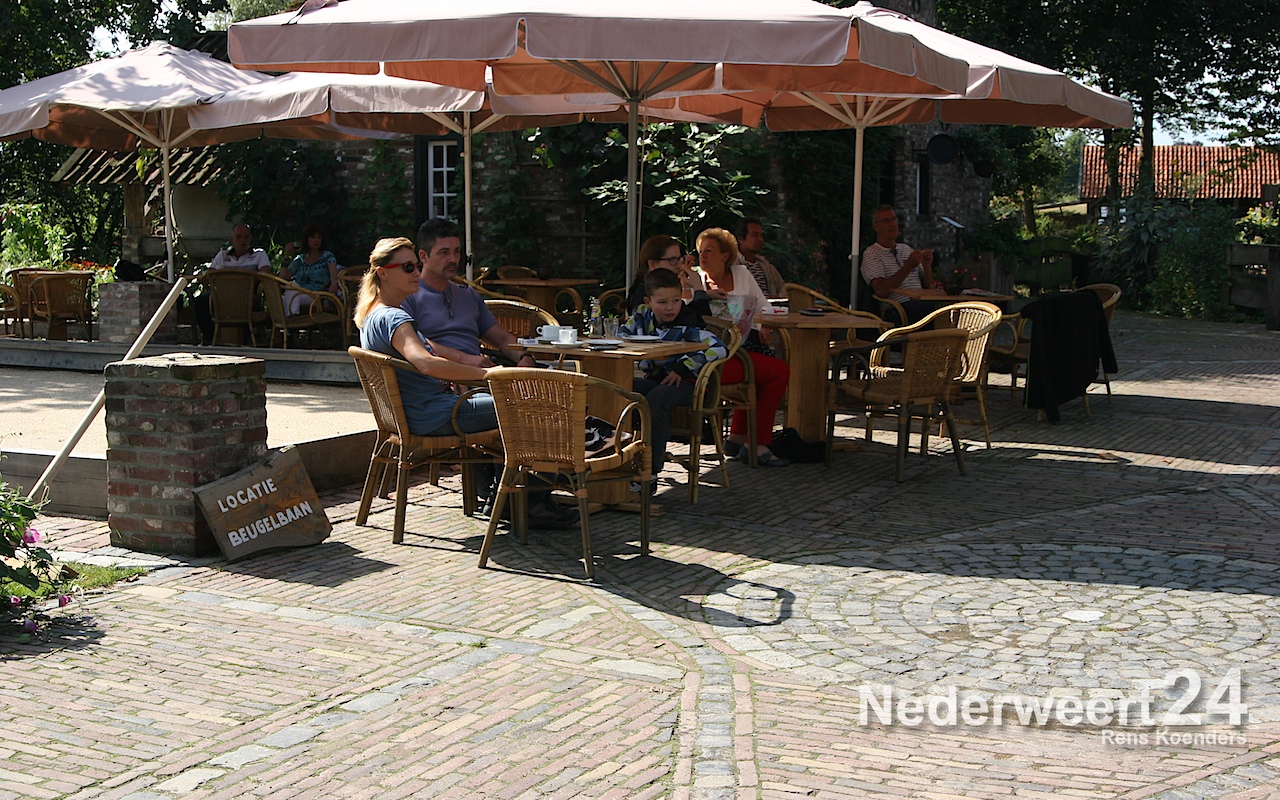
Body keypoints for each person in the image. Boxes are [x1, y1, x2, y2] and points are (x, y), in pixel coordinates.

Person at [357, 236, 573, 529]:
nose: (417, 272)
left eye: (416, 266)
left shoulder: (373, 315)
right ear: (383, 273)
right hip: (434, 415)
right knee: (539, 405)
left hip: (419, 413)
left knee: (515, 401)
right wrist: (486, 375)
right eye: (408, 267)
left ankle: (506, 495)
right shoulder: (394, 317)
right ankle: (526, 501)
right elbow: (426, 362)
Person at [619, 268, 729, 491]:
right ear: (648, 302)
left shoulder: (688, 323)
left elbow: (719, 348)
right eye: (662, 302)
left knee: (655, 401)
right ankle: (613, 464)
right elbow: (620, 337)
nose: (670, 307)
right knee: (616, 391)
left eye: (676, 300)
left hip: (688, 384)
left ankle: (649, 472)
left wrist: (684, 366)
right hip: (656, 379)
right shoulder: (641, 318)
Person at [693, 228, 791, 467]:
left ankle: (737, 437)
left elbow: (762, 305)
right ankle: (757, 444)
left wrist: (763, 325)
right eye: (701, 251)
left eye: (709, 251)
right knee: (779, 372)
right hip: (711, 359)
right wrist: (703, 294)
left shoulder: (742, 273)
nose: (702, 256)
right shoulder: (694, 280)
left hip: (741, 349)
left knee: (767, 369)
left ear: (725, 256)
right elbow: (684, 313)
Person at [402, 218, 537, 369]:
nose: (453, 259)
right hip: (439, 375)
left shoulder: (468, 295)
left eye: (457, 251)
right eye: (444, 252)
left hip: (480, 376)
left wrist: (525, 357)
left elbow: (502, 339)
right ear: (423, 256)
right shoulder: (407, 296)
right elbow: (412, 342)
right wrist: (466, 360)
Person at [196, 223, 273, 345]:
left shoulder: (259, 254)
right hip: (221, 295)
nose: (242, 240)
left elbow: (266, 274)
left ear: (250, 239)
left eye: (246, 237)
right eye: (239, 237)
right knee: (201, 301)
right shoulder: (222, 255)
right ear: (232, 239)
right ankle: (212, 339)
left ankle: (243, 341)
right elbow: (209, 275)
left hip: (248, 295)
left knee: (250, 303)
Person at [861, 205, 936, 325]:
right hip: (897, 309)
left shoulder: (906, 249)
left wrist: (927, 266)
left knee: (951, 308)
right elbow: (881, 290)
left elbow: (928, 286)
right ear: (876, 227)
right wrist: (908, 267)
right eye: (886, 221)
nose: (892, 224)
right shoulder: (872, 253)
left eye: (894, 219)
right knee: (937, 311)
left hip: (920, 303)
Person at [626, 234, 714, 315]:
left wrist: (706, 294)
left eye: (679, 259)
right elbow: (699, 320)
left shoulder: (650, 288)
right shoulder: (645, 294)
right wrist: (698, 288)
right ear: (652, 264)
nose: (679, 265)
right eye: (672, 260)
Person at [280, 221, 341, 315]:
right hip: (299, 293)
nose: (316, 240)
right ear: (306, 239)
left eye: (318, 237)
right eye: (313, 237)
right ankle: (292, 317)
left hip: (317, 295)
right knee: (283, 298)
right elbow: (283, 277)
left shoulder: (327, 256)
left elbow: (333, 272)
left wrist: (334, 283)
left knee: (290, 293)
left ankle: (292, 319)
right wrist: (287, 255)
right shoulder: (300, 260)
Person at [735, 218, 786, 298]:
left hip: (770, 305)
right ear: (740, 239)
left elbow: (781, 286)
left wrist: (779, 300)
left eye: (761, 235)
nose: (760, 239)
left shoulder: (765, 265)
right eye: (754, 235)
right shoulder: (733, 264)